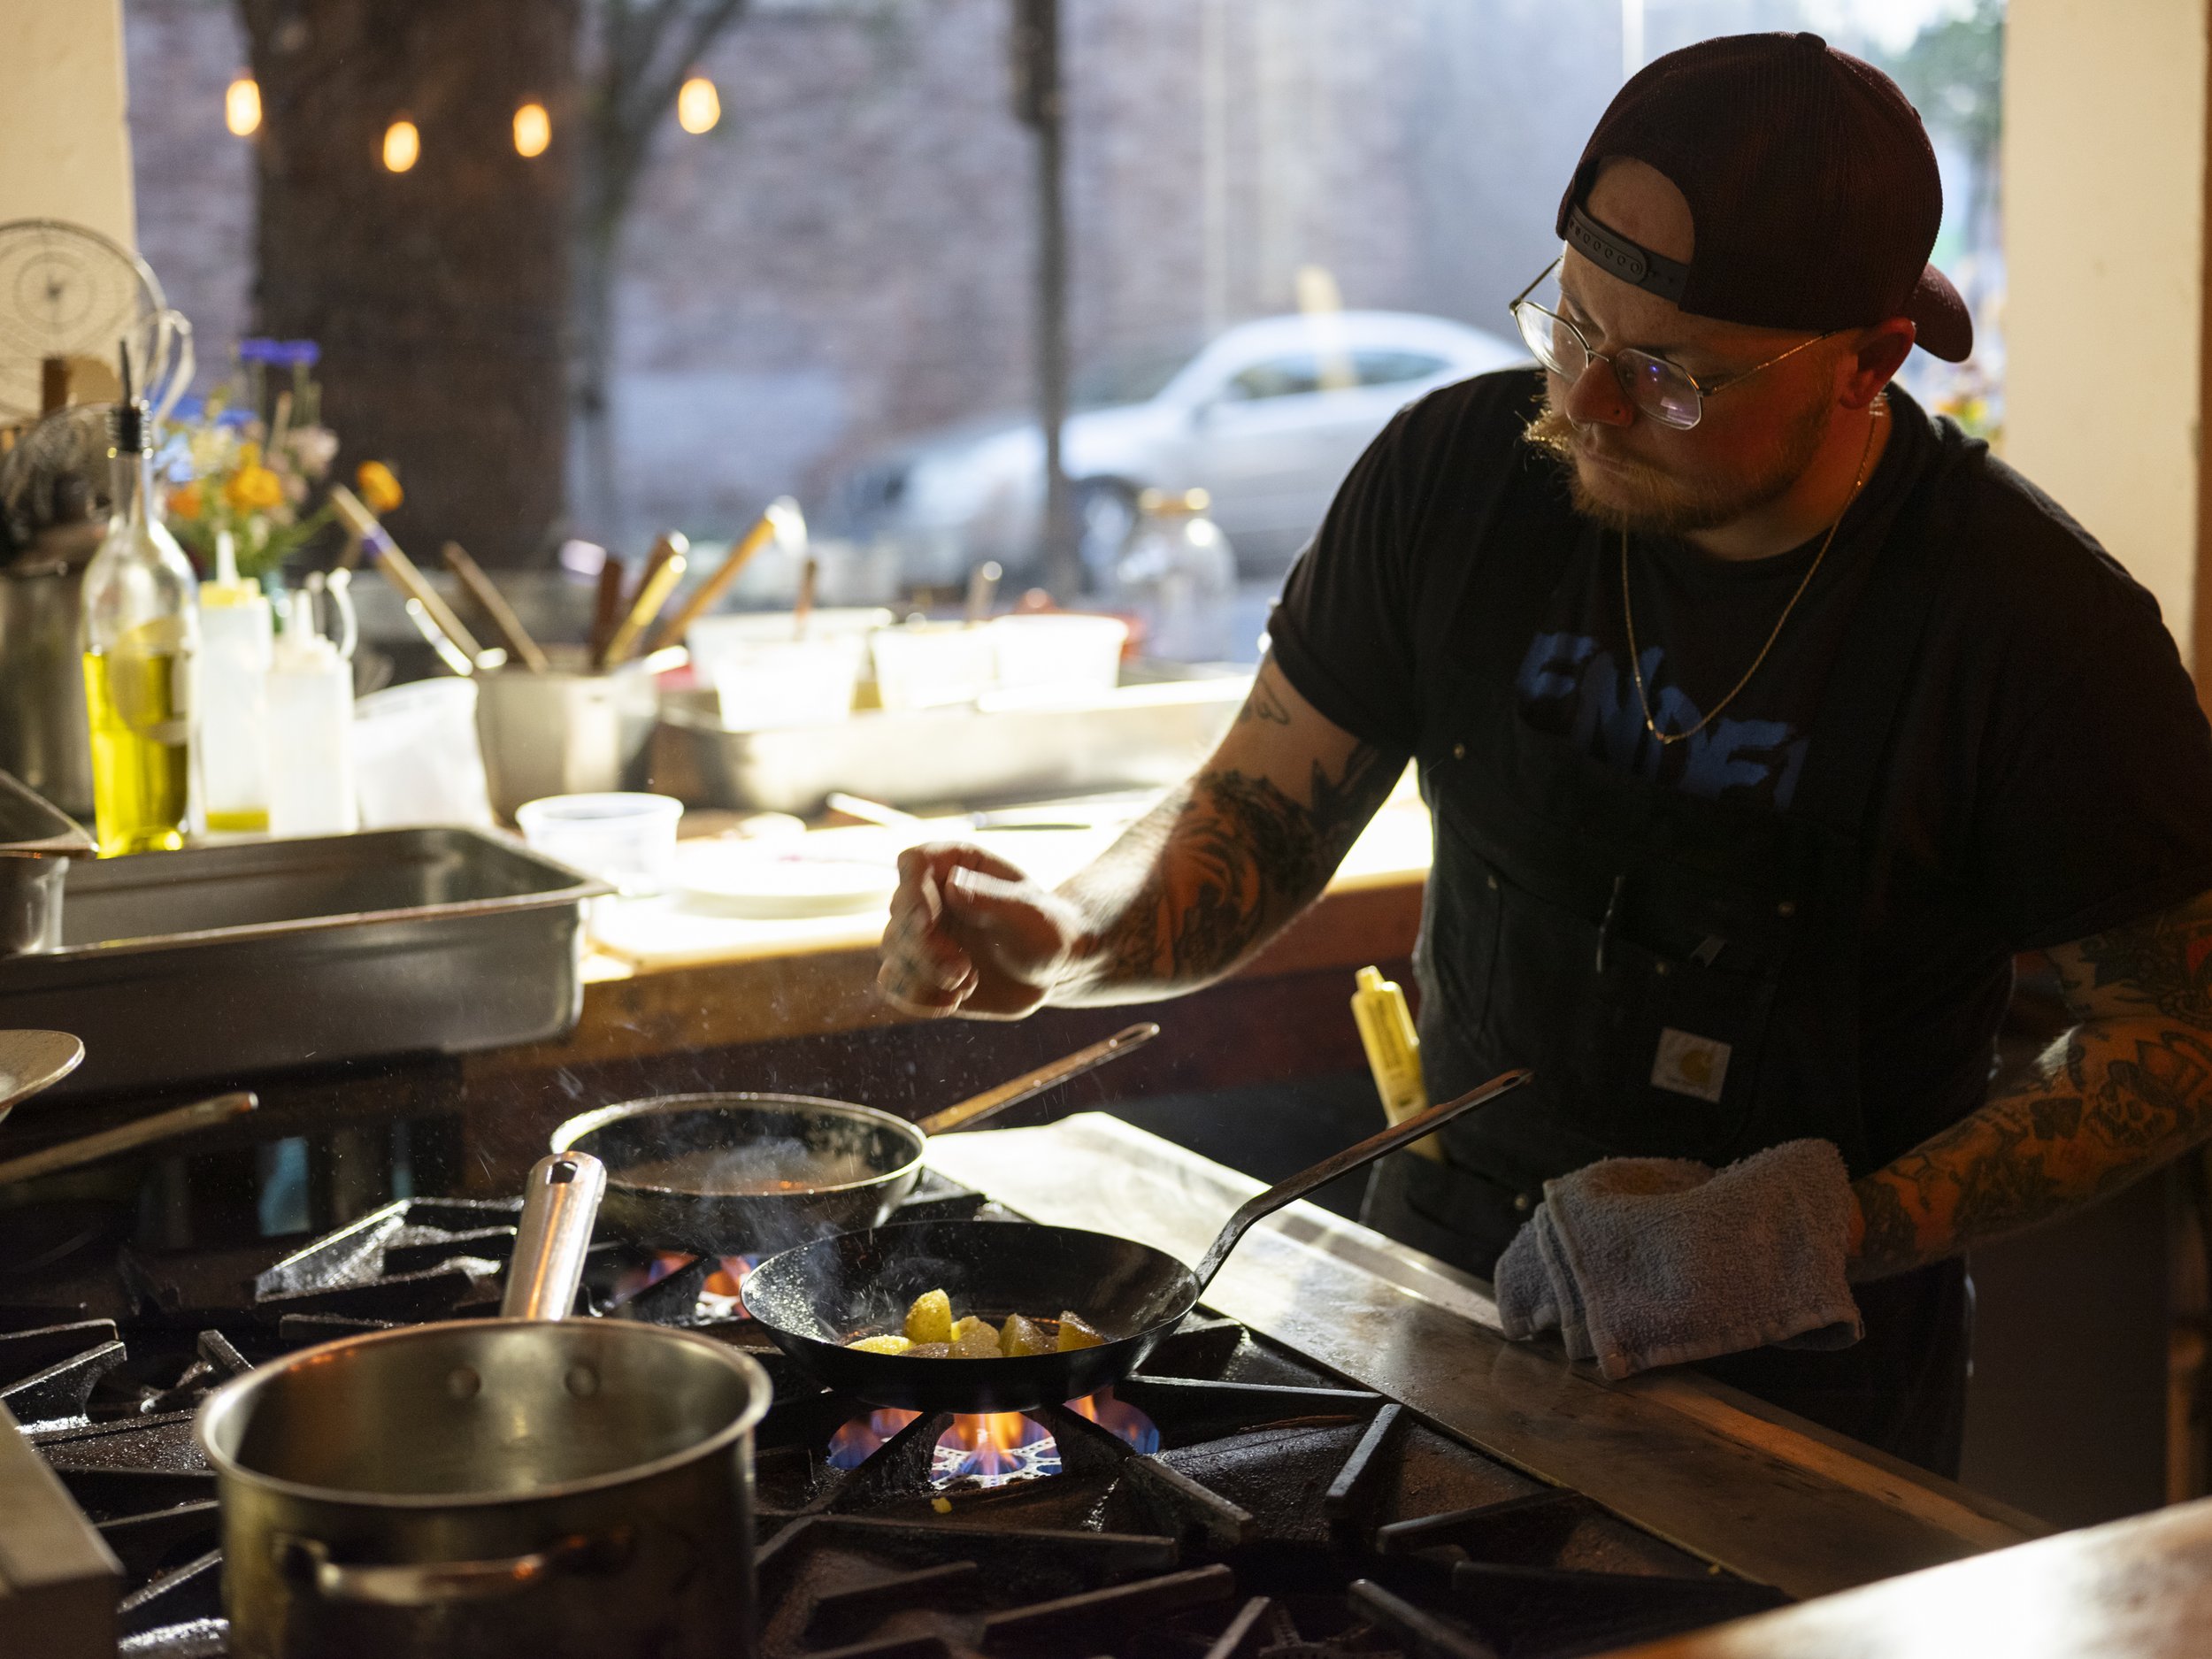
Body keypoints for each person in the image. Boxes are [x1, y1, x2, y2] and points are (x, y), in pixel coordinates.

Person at [875, 33, 2212, 1477]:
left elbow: (2178, 1038)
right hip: (1448, 1293)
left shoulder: (2029, 623)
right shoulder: (1453, 483)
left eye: (1671, 377)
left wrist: (1821, 1228)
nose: (1586, 406)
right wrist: (1062, 934)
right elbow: (1253, 818)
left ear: (1866, 362)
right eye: (1571, 326)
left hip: (1801, 1378)